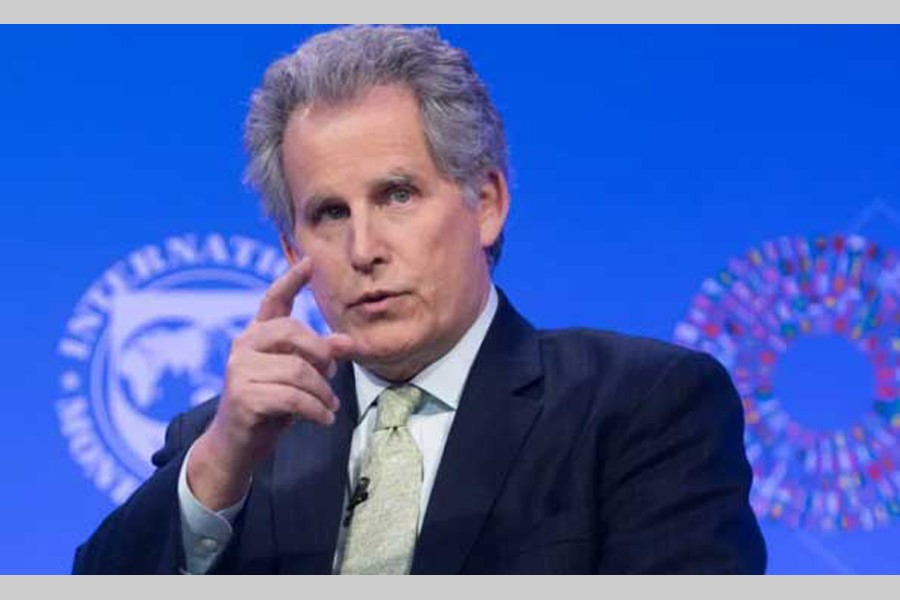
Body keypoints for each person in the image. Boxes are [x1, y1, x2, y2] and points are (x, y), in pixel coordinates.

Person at [72, 24, 767, 574]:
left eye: (397, 195)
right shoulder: (224, 442)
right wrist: (222, 463)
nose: (364, 248)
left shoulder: (640, 406)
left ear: (486, 203)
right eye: (330, 214)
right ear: (291, 252)